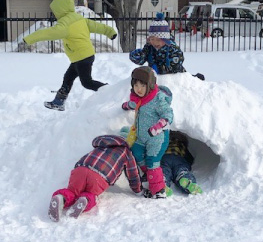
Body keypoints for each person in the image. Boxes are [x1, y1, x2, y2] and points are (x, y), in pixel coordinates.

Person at [23, 0, 117, 111]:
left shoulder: (65, 24)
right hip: (83, 56)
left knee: (87, 82)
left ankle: (109, 91)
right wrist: (110, 32)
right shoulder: (79, 19)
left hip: (81, 58)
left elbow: (48, 33)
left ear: (60, 10)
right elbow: (98, 26)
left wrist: (30, 38)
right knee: (68, 77)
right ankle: (58, 102)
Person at [47, 135, 141, 222]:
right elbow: (133, 174)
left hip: (81, 169)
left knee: (72, 191)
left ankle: (61, 198)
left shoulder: (102, 144)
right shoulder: (127, 153)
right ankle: (85, 200)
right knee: (90, 194)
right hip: (99, 177)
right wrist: (138, 190)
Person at [122, 66, 174, 199]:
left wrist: (158, 126)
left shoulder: (157, 99)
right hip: (141, 136)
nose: (138, 89)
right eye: (136, 85)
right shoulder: (137, 98)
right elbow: (135, 104)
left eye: (142, 85)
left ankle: (158, 190)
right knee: (136, 152)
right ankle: (149, 174)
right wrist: (127, 105)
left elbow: (168, 114)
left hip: (157, 138)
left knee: (152, 161)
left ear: (150, 86)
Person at [129, 12, 205, 80]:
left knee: (188, 80)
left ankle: (196, 79)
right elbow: (142, 58)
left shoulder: (172, 48)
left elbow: (176, 64)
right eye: (152, 39)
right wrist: (137, 56)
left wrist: (159, 69)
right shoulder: (149, 47)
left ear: (165, 39)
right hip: (157, 78)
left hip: (176, 77)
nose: (155, 42)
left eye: (158, 40)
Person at [161, 130, 203, 195]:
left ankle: (163, 183)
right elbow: (188, 157)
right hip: (178, 158)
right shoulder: (182, 144)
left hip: (165, 157)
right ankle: (185, 178)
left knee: (164, 170)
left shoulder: (165, 142)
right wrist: (189, 162)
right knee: (181, 169)